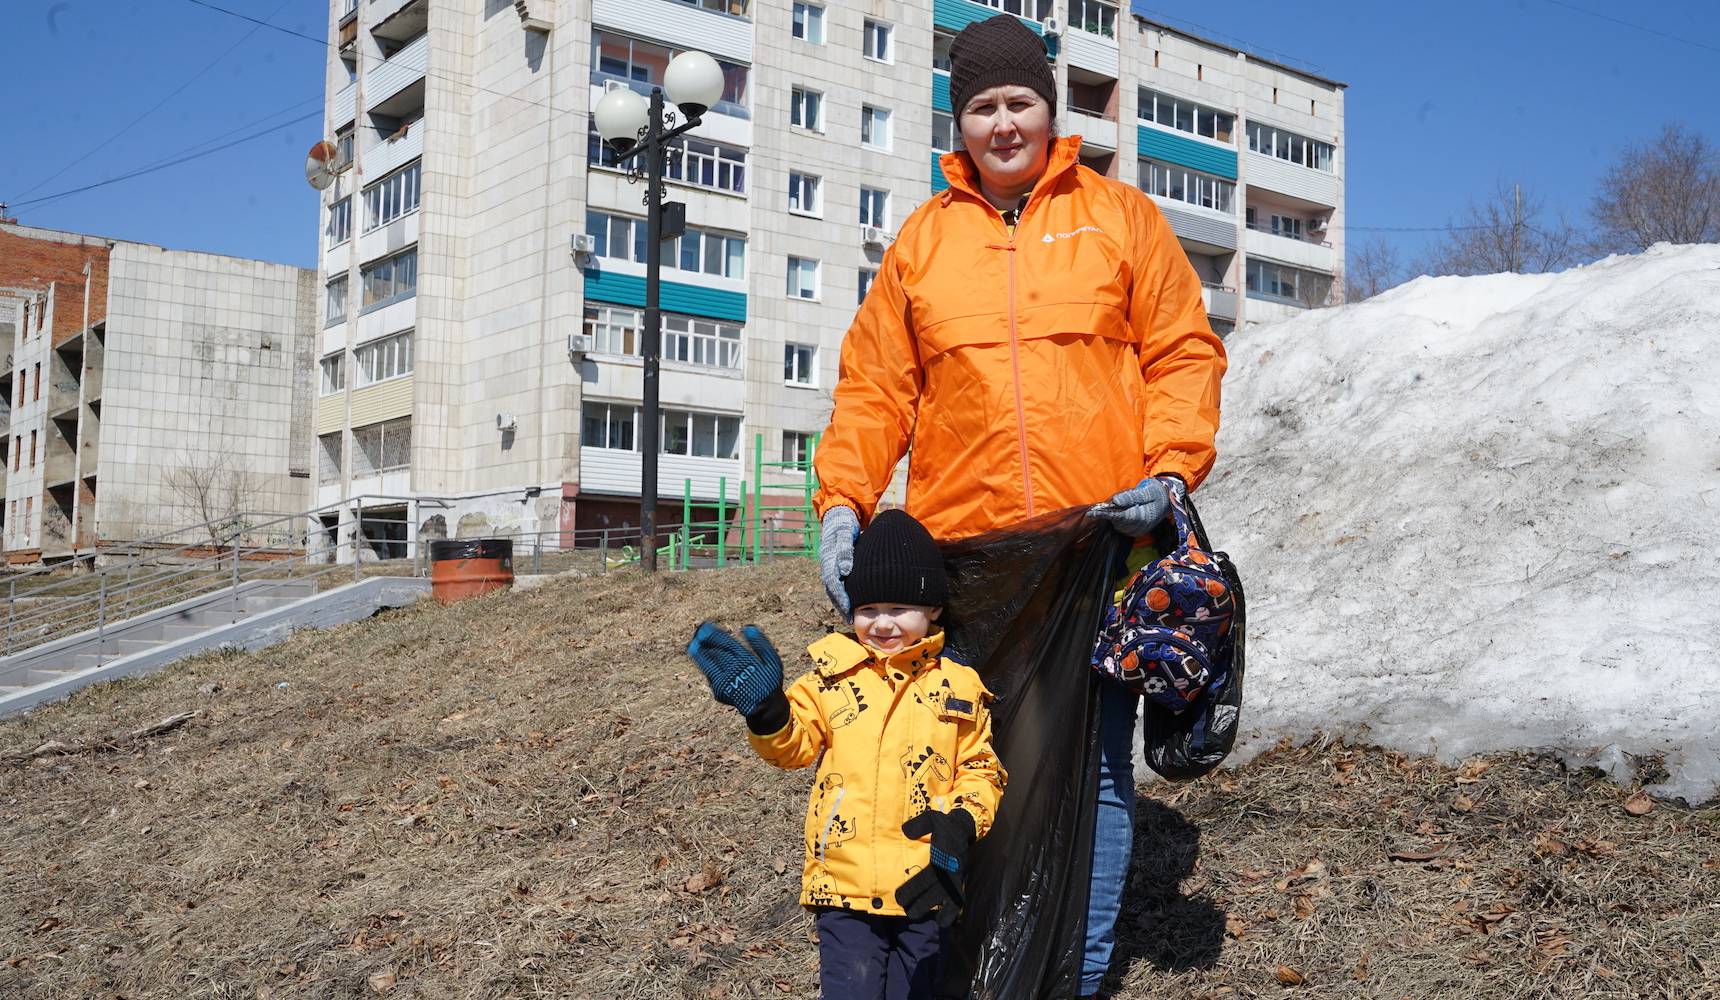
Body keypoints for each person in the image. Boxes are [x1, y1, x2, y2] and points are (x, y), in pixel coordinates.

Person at [808, 14, 1227, 998]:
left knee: (1089, 776)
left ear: (1050, 109)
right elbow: (875, 387)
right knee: (954, 767)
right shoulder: (922, 241)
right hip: (970, 560)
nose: (1003, 124)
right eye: (983, 107)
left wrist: (1167, 471)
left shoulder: (1120, 218)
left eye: (1020, 103)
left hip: (1098, 549)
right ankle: (961, 970)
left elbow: (1182, 352)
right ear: (960, 123)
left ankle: (1071, 980)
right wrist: (843, 501)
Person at [686, 509, 1006, 1000]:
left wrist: (962, 822)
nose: (882, 624)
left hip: (926, 881)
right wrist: (768, 714)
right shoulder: (829, 680)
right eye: (868, 609)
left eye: (899, 609)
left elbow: (981, 769)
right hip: (843, 886)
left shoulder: (960, 686)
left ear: (934, 610)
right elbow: (793, 748)